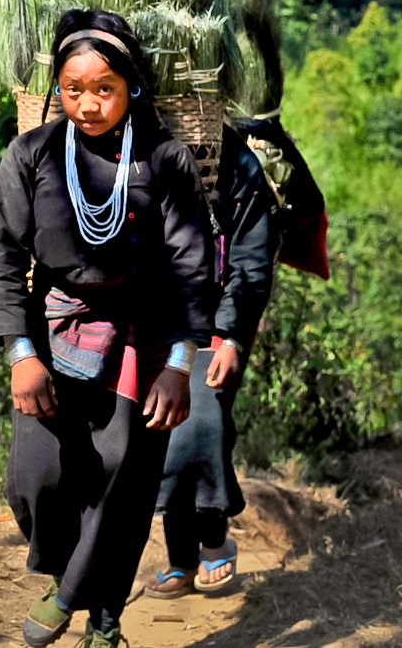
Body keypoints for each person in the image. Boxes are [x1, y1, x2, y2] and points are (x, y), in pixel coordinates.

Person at [0, 9, 214, 648]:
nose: (87, 104)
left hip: (140, 334)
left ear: (131, 86)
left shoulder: (165, 159)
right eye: (72, 89)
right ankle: (76, 582)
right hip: (51, 334)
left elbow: (192, 265)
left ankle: (94, 612)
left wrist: (178, 365)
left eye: (103, 88)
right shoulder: (30, 155)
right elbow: (2, 257)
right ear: (56, 88)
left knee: (121, 479)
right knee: (35, 482)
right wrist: (20, 355)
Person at [145, 124, 275, 598]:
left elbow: (251, 263)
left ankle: (215, 540)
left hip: (218, 324)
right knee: (162, 431)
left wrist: (233, 337)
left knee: (198, 422)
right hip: (149, 325)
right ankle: (180, 558)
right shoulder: (127, 150)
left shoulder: (235, 166)